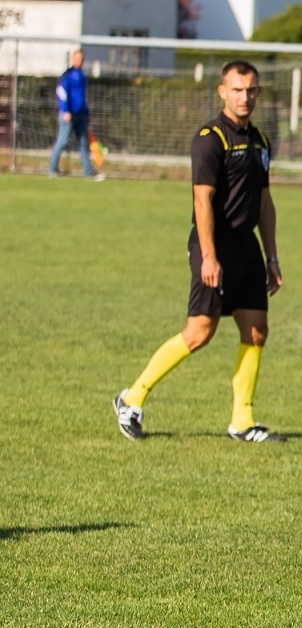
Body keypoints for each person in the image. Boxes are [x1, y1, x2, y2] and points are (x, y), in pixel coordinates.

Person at [113, 61, 286, 444]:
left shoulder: (260, 141)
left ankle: (242, 422)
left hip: (248, 248)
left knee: (256, 331)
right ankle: (131, 398)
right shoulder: (211, 139)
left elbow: (265, 202)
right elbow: (201, 200)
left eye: (252, 90)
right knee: (199, 333)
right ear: (222, 91)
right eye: (237, 89)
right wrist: (209, 256)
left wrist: (271, 257)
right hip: (215, 245)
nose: (245, 97)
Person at [48, 50, 102, 181]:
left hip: (80, 115)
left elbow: (82, 97)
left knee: (83, 143)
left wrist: (86, 112)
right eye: (77, 59)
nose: (79, 62)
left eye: (81, 59)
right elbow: (61, 93)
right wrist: (66, 110)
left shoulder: (82, 76)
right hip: (69, 115)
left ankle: (88, 172)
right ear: (73, 59)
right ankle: (52, 169)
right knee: (62, 142)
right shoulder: (68, 75)